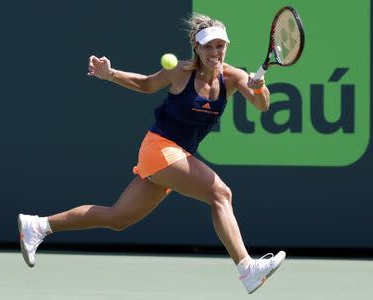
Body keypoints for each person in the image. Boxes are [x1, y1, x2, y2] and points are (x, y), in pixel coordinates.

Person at [18, 13, 285, 294]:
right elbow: (145, 84)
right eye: (208, 46)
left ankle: (38, 226)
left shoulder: (233, 77)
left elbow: (262, 105)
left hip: (177, 155)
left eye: (220, 46)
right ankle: (247, 269)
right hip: (159, 148)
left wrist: (260, 87)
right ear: (196, 46)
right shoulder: (179, 72)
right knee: (220, 193)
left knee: (117, 218)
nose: (215, 52)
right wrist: (110, 74)